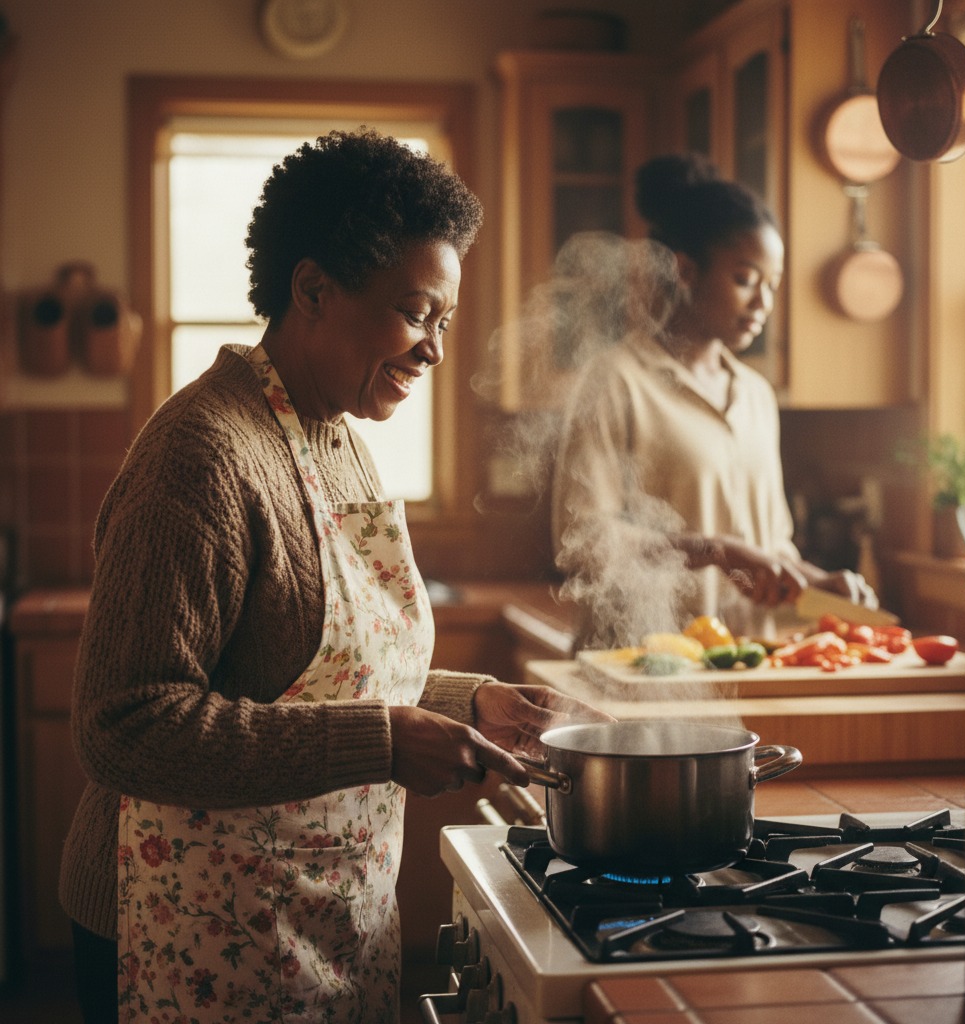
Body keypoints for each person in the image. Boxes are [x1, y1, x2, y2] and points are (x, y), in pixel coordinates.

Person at [58, 128, 609, 1024]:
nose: (434, 348)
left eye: (445, 322)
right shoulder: (200, 455)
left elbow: (311, 672)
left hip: (312, 918)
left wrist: (467, 703)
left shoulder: (334, 434)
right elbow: (124, 727)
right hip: (179, 927)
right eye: (415, 312)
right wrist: (387, 743)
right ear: (312, 289)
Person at [551, 153, 877, 648]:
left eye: (772, 285)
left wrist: (814, 581)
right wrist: (717, 551)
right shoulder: (616, 382)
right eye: (746, 279)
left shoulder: (755, 396)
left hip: (744, 664)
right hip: (640, 662)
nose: (763, 304)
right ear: (685, 269)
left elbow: (767, 549)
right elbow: (585, 545)